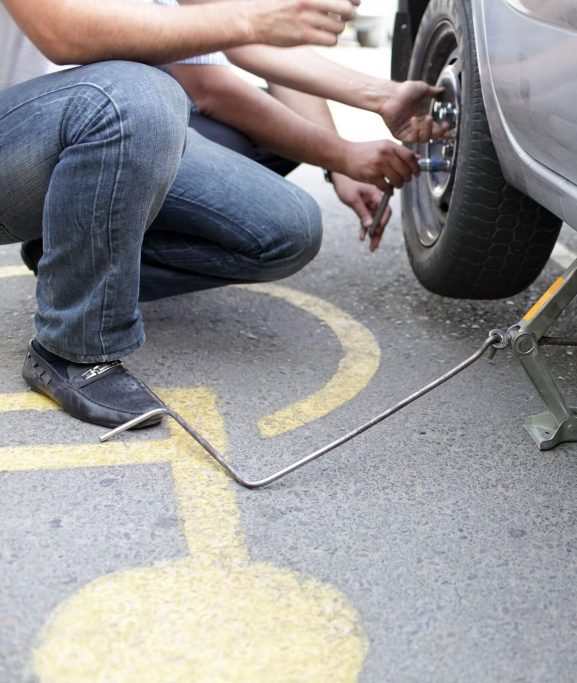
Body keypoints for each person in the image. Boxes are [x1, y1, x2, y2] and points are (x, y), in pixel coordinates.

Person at [0, 0, 426, 430]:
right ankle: (75, 349)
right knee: (139, 94)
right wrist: (254, 18)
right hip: (24, 137)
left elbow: (226, 45)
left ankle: (68, 248)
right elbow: (64, 33)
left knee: (286, 230)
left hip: (86, 124)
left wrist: (380, 99)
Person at [152, 0, 447, 250]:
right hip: (126, 109)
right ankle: (119, 264)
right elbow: (210, 90)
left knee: (287, 132)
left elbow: (259, 44)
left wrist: (384, 97)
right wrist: (343, 155)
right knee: (287, 228)